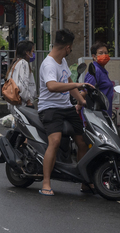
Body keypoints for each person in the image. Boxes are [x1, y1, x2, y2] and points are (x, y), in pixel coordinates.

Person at [37, 28, 90, 196]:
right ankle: (46, 182)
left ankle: (84, 181)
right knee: (55, 141)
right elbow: (52, 86)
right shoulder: (49, 64)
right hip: (49, 108)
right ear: (67, 47)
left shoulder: (63, 62)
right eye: (71, 47)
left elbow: (68, 81)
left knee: (82, 142)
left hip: (66, 107)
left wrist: (81, 101)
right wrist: (77, 85)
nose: (71, 50)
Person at [84, 42, 115, 116]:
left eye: (106, 53)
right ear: (94, 56)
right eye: (101, 53)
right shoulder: (96, 71)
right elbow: (86, 91)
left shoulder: (102, 71)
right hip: (97, 114)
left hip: (104, 113)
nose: (104, 55)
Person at [9, 40, 37, 110]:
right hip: (23, 104)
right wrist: (28, 101)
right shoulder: (23, 63)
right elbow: (22, 84)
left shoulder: (16, 63)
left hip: (16, 103)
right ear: (27, 52)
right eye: (32, 51)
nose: (33, 54)